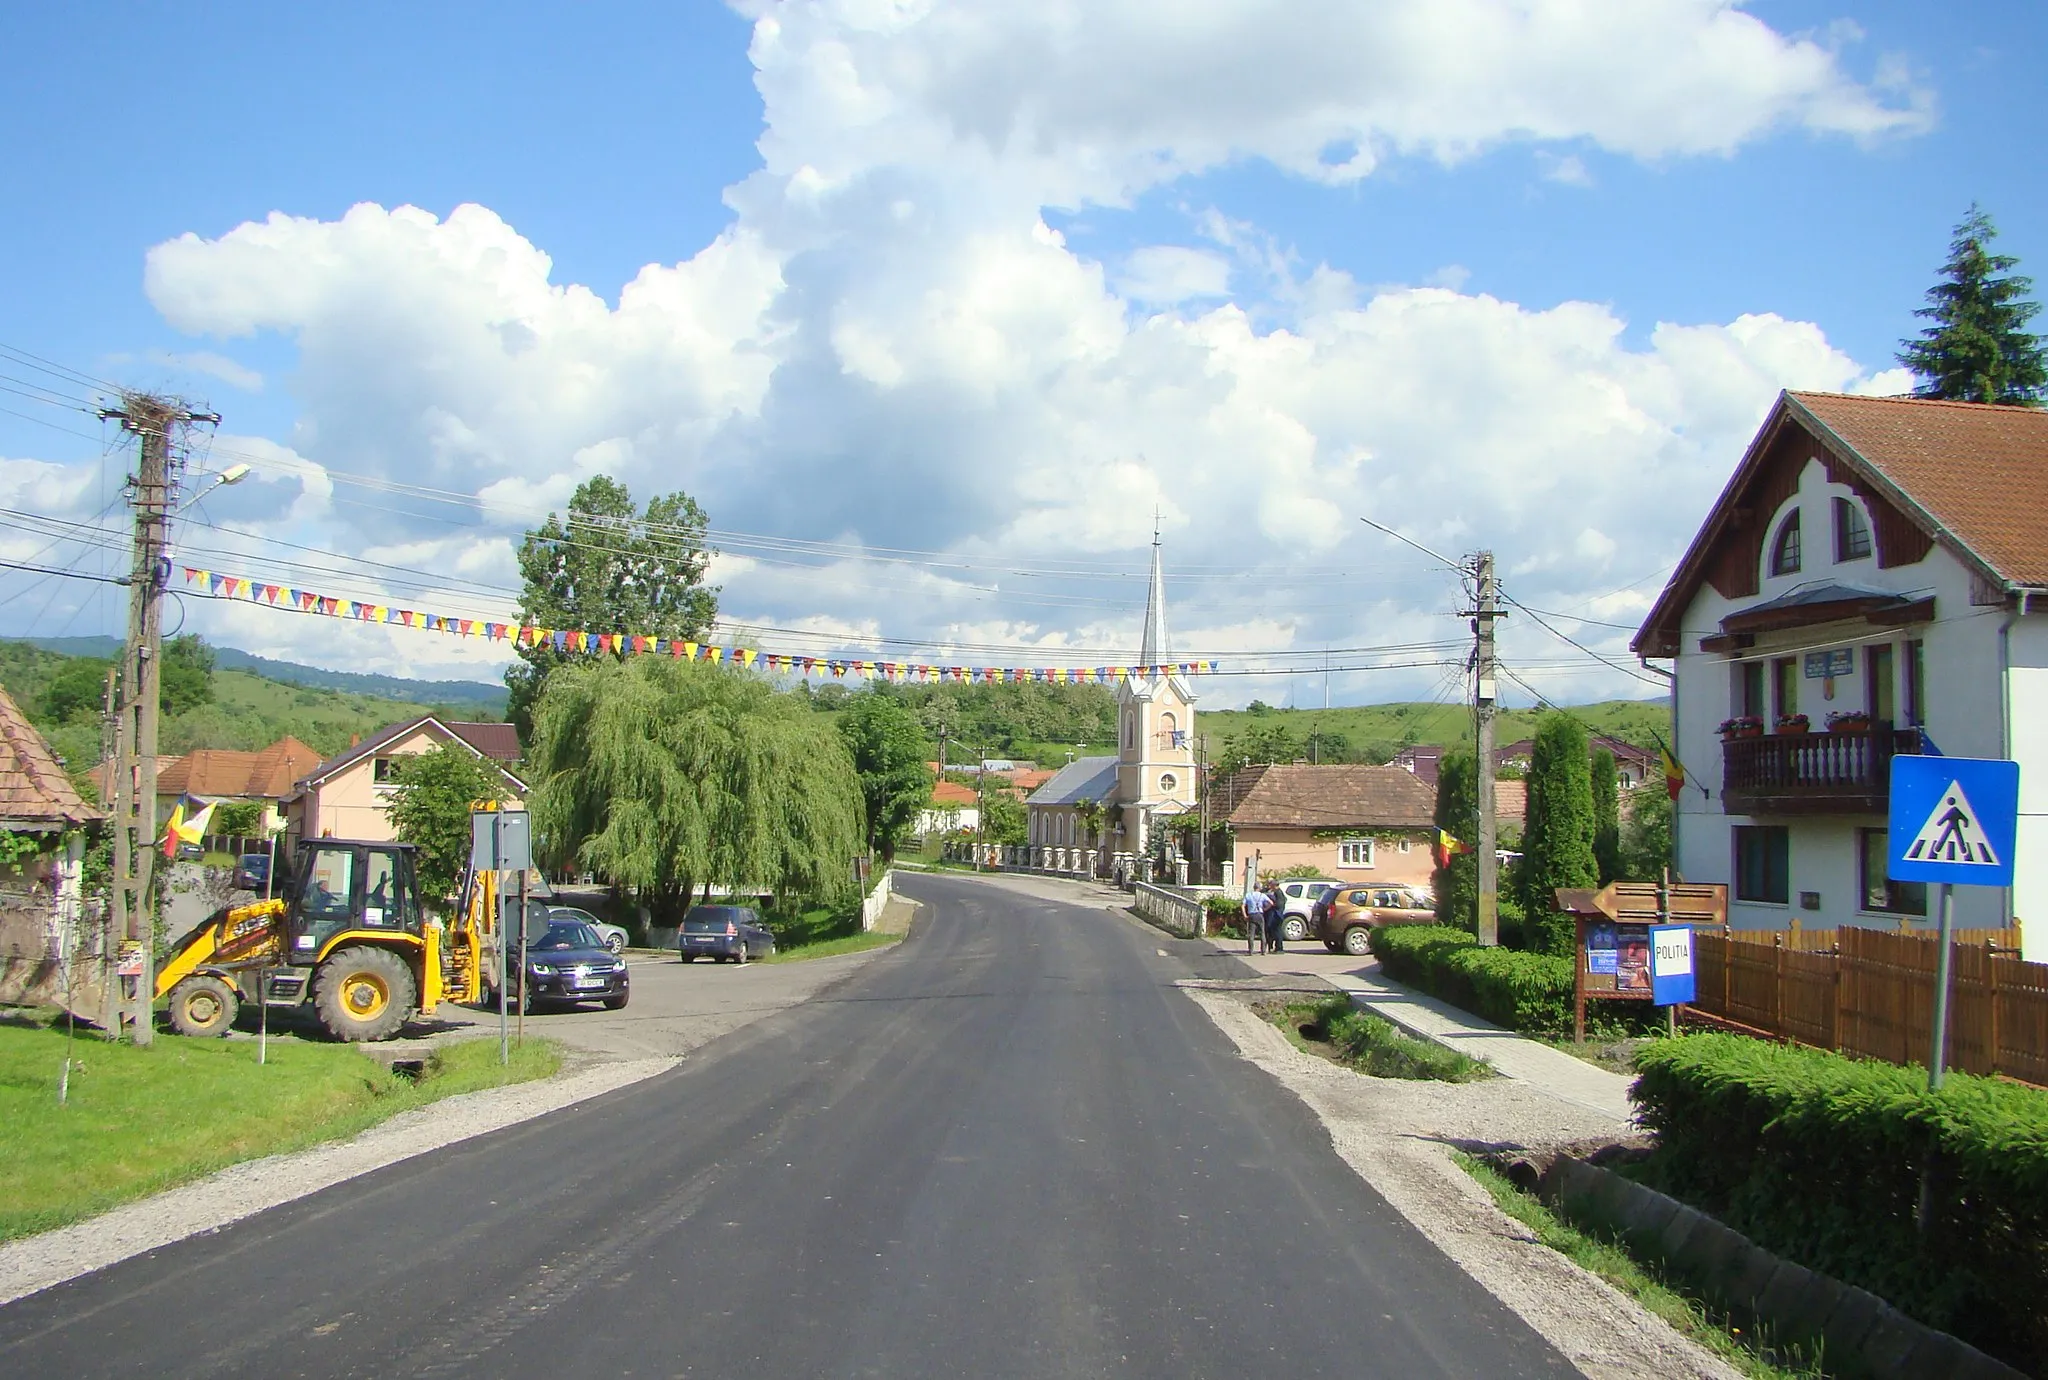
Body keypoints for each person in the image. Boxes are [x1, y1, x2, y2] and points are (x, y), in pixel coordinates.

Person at [1241, 886, 1270, 955]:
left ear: (1253, 887)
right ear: (1259, 888)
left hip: (1251, 915)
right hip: (1260, 914)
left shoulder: (1248, 895)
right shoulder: (1262, 895)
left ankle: (1250, 951)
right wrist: (1265, 909)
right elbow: (1271, 903)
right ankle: (1263, 950)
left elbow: (1242, 905)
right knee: (1262, 932)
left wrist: (1245, 915)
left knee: (1251, 933)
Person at [1263, 882, 1288, 953]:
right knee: (1273, 932)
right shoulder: (1277, 892)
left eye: (1271, 885)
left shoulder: (1278, 893)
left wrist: (1271, 905)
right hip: (1275, 915)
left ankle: (1279, 948)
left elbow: (1279, 904)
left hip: (1277, 916)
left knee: (1278, 932)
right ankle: (1274, 947)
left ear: (1274, 886)